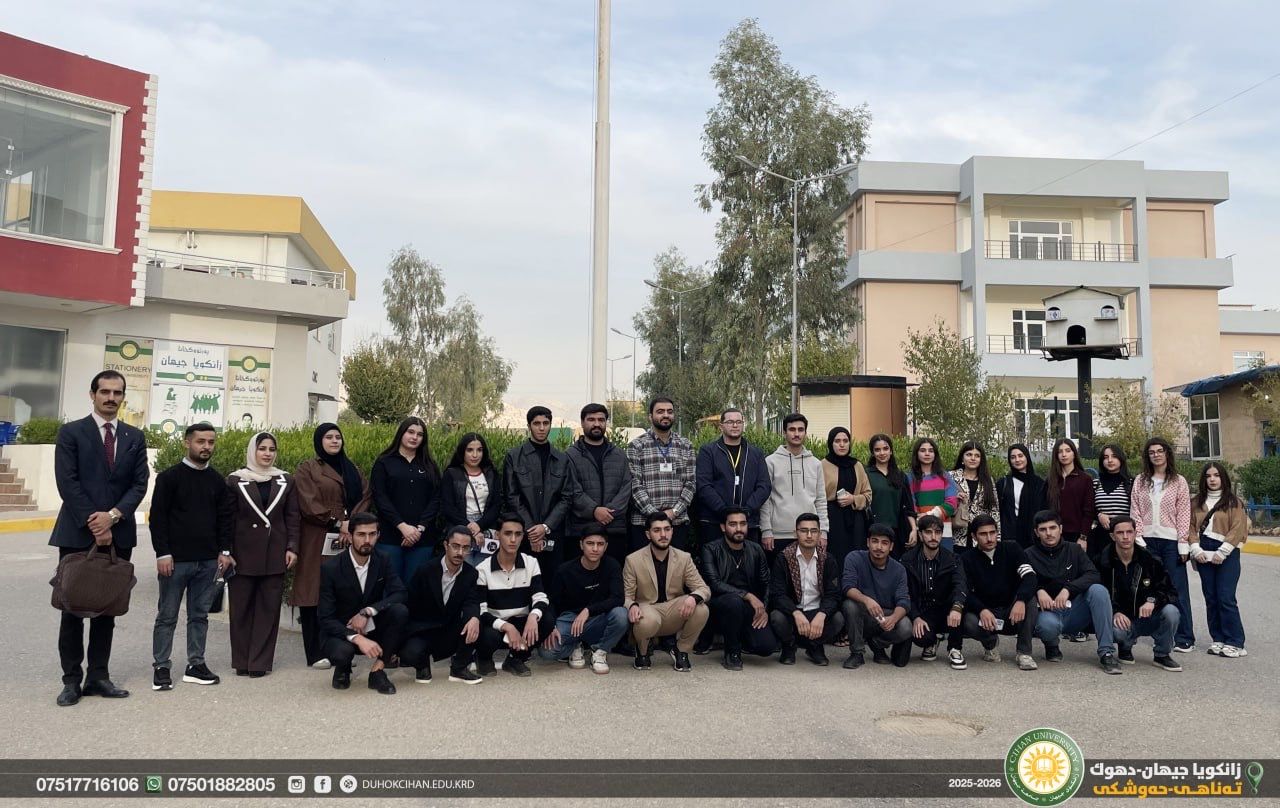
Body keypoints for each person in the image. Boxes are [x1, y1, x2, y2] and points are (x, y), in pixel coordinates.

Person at [50, 370, 150, 707]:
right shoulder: (71, 433)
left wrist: (114, 516)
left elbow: (139, 483)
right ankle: (71, 681)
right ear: (92, 394)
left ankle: (98, 676)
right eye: (105, 392)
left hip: (118, 533)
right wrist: (95, 521)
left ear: (123, 397)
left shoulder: (134, 437)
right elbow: (67, 482)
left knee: (108, 606)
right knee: (72, 608)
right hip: (77, 532)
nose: (111, 398)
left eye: (117, 393)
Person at [148, 423, 234, 691]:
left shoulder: (217, 481)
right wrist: (163, 553)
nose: (206, 446)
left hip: (207, 562)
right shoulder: (169, 478)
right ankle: (161, 667)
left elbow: (225, 519)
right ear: (187, 443)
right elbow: (158, 519)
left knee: (199, 616)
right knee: (167, 616)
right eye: (201, 441)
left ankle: (195, 665)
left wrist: (225, 551)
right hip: (175, 562)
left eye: (211, 442)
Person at [294, 423, 372, 668]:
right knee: (313, 591)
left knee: (342, 591)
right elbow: (308, 502)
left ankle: (341, 651)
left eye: (338, 437)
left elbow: (366, 495)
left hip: (349, 536)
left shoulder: (352, 469)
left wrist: (352, 524)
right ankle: (315, 653)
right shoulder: (308, 468)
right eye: (329, 437)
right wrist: (338, 523)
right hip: (317, 535)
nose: (335, 441)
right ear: (319, 441)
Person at [226, 431, 300, 677]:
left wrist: (292, 547)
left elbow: (292, 517)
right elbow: (227, 519)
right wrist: (226, 551)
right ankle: (241, 661)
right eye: (262, 448)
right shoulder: (235, 480)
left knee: (269, 610)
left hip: (275, 554)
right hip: (242, 554)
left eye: (271, 449)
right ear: (252, 451)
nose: (267, 454)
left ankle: (259, 663)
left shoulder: (286, 480)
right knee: (241, 609)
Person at [317, 513, 409, 694]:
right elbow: (325, 617)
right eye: (361, 534)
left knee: (400, 611)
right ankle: (343, 668)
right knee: (342, 653)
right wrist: (356, 637)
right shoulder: (331, 568)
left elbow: (400, 593)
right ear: (350, 536)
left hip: (371, 625)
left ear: (378, 535)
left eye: (372, 534)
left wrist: (368, 611)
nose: (367, 540)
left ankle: (377, 671)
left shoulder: (383, 559)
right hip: (342, 631)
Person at [1026, 510, 1122, 674]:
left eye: (1052, 528)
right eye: (1043, 529)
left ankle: (1106, 652)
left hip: (1075, 610)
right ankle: (1051, 645)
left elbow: (1093, 574)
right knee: (1047, 626)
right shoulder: (1028, 554)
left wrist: (1068, 589)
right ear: (1036, 532)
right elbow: (1020, 581)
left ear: (1060, 529)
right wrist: (1038, 590)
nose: (1048, 533)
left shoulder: (1074, 550)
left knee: (1098, 590)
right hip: (1048, 613)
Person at [624, 512, 711, 671]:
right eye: (657, 530)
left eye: (667, 529)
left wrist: (693, 597)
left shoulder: (684, 558)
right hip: (647, 611)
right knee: (648, 620)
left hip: (673, 611)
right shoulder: (633, 560)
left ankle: (681, 651)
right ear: (648, 534)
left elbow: (703, 589)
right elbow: (627, 596)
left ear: (672, 531)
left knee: (701, 609)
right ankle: (642, 651)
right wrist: (632, 606)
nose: (663, 535)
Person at [1132, 437, 1194, 653]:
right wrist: (1139, 538)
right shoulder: (1141, 481)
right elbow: (1135, 510)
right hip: (1147, 541)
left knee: (1177, 588)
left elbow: (1184, 513)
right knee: (1148, 587)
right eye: (1152, 452)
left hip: (1171, 542)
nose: (1156, 455)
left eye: (1160, 451)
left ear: (1167, 453)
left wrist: (1183, 543)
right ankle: (1156, 631)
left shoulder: (1179, 481)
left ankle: (1184, 636)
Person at [400, 526, 484, 685]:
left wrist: (474, 617)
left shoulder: (471, 573)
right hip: (423, 627)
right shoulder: (425, 570)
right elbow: (409, 602)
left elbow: (472, 601)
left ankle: (459, 668)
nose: (460, 552)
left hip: (449, 627)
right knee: (410, 653)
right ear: (446, 545)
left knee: (475, 623)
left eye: (465, 548)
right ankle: (422, 665)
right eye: (455, 546)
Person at [473, 516, 555, 677]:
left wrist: (533, 616)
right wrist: (506, 626)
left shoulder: (531, 562)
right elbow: (481, 611)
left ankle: (516, 658)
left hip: (521, 622)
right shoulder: (482, 569)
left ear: (523, 536)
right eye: (507, 533)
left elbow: (540, 597)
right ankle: (483, 657)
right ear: (497, 535)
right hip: (495, 626)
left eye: (518, 534)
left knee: (546, 620)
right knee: (487, 633)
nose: (513, 539)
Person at [1098, 516, 1182, 671]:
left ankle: (1162, 654)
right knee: (1116, 631)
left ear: (1136, 533)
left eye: (1129, 532)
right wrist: (1115, 612)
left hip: (1147, 617)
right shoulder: (1103, 562)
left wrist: (1152, 601)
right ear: (1112, 536)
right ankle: (1125, 647)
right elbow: (1099, 594)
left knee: (1172, 612)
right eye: (1120, 533)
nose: (1125, 537)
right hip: (1121, 620)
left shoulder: (1150, 560)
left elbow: (1171, 592)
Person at [540, 529, 629, 674]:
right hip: (570, 620)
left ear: (606, 546)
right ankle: (575, 646)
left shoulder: (612, 565)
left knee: (621, 615)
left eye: (600, 544)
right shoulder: (565, 570)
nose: (595, 548)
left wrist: (588, 610)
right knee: (547, 652)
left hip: (598, 618)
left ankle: (600, 651)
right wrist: (552, 626)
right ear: (581, 545)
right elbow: (551, 601)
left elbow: (618, 598)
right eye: (590, 543)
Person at [959, 515, 1040, 671]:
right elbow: (965, 591)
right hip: (986, 615)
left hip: (1012, 611)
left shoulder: (1012, 549)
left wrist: (1020, 600)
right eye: (983, 534)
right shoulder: (966, 558)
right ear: (974, 536)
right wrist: (981, 610)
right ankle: (990, 644)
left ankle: (1024, 653)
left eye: (992, 532)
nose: (989, 538)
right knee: (968, 620)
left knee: (1029, 599)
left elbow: (1030, 577)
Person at [700, 507, 777, 670]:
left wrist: (763, 609)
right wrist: (748, 595)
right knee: (734, 602)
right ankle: (732, 653)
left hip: (748, 607)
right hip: (719, 605)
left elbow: (766, 583)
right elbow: (714, 583)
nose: (739, 529)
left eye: (743, 524)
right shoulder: (711, 549)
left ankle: (741, 637)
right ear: (723, 527)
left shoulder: (755, 549)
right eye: (733, 524)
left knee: (766, 647)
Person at [370, 416, 440, 587]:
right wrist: (402, 526)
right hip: (390, 537)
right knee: (390, 588)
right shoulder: (384, 462)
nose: (415, 437)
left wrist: (419, 529)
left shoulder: (429, 465)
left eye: (420, 434)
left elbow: (436, 498)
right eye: (410, 432)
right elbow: (380, 497)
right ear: (401, 433)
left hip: (422, 539)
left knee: (416, 588)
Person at [768, 513, 846, 666]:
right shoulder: (783, 558)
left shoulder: (828, 559)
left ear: (819, 534)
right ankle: (789, 646)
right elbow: (777, 594)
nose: (809, 535)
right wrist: (795, 612)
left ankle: (814, 646)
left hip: (816, 612)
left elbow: (834, 594)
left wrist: (822, 614)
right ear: (795, 533)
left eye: (813, 531)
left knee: (838, 618)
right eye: (804, 530)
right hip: (793, 612)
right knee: (777, 617)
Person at [1190, 462, 1249, 659]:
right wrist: (1195, 548)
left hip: (1227, 552)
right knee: (1211, 597)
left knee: (1225, 597)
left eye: (1216, 475)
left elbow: (1238, 528)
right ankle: (1218, 638)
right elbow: (1190, 527)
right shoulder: (1196, 502)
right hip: (1203, 551)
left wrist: (1223, 552)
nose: (1212, 479)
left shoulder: (1233, 502)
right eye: (1208, 476)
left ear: (1223, 478)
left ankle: (1235, 642)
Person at [503, 406, 572, 574]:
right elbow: (511, 496)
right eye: (536, 423)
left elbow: (567, 497)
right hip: (523, 534)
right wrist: (532, 530)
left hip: (553, 533)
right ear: (529, 426)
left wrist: (546, 527)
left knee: (553, 581)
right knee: (523, 579)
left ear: (550, 425)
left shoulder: (562, 459)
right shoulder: (514, 456)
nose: (541, 428)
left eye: (545, 423)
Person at [564, 403, 632, 565]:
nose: (596, 424)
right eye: (591, 420)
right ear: (582, 423)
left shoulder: (619, 454)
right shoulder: (570, 455)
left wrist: (609, 513)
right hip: (582, 530)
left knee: (613, 573)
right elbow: (572, 489)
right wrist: (594, 510)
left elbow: (626, 487)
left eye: (601, 420)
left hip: (614, 529)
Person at [626, 397, 696, 552]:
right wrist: (656, 516)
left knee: (675, 567)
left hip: (676, 522)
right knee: (643, 567)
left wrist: (674, 512)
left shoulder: (686, 445)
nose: (666, 415)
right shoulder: (636, 446)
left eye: (669, 412)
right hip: (644, 523)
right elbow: (635, 485)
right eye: (660, 411)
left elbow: (690, 484)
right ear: (650, 416)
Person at [840, 524, 913, 669]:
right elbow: (847, 587)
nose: (879, 547)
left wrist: (893, 618)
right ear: (868, 542)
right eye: (875, 541)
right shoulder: (854, 558)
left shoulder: (899, 569)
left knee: (906, 626)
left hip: (885, 615)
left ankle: (877, 644)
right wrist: (866, 600)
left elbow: (904, 601)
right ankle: (857, 653)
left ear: (891, 546)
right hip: (862, 612)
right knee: (849, 605)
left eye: (884, 543)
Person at [901, 515, 967, 670]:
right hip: (923, 611)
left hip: (946, 609)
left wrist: (957, 607)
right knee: (921, 637)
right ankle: (931, 642)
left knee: (959, 603)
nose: (933, 537)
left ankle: (955, 648)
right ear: (920, 534)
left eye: (937, 532)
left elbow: (960, 584)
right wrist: (915, 617)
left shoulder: (953, 559)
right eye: (928, 532)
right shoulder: (908, 560)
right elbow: (905, 592)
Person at [695, 407, 771, 542]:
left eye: (738, 422)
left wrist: (746, 511)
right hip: (715, 522)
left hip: (748, 523)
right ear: (721, 426)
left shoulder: (755, 453)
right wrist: (724, 512)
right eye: (730, 422)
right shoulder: (708, 452)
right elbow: (704, 486)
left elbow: (764, 486)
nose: (735, 425)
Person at [760, 413, 828, 562]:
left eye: (800, 430)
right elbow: (765, 500)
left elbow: (821, 500)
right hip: (778, 535)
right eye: (792, 429)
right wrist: (766, 530)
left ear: (805, 433)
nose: (796, 434)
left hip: (809, 534)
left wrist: (823, 531)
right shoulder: (770, 462)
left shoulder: (816, 464)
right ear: (784, 432)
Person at [439, 432, 502, 566]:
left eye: (479, 450)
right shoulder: (451, 474)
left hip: (485, 527)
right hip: (459, 527)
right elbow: (447, 507)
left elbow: (496, 505)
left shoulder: (491, 473)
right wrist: (470, 528)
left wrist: (479, 525)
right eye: (470, 450)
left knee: (483, 571)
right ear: (462, 451)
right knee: (463, 570)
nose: (475, 455)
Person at [822, 427, 872, 562]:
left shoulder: (857, 465)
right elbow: (817, 496)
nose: (842, 444)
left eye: (845, 441)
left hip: (855, 520)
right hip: (832, 519)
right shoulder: (822, 465)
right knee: (835, 557)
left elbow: (868, 495)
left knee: (857, 557)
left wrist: (853, 499)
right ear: (830, 443)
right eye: (837, 441)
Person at [866, 434, 916, 558]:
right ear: (872, 453)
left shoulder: (900, 476)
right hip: (872, 531)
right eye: (877, 450)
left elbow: (908, 506)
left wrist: (914, 529)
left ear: (891, 451)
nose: (882, 453)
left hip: (896, 533)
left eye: (885, 448)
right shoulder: (866, 474)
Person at [905, 436, 959, 550]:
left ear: (935, 454)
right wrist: (918, 524)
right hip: (921, 530)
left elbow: (951, 504)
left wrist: (929, 514)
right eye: (923, 450)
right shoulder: (910, 478)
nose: (927, 454)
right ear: (917, 454)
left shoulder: (945, 477)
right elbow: (910, 506)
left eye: (930, 450)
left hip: (943, 530)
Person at [1045, 438, 1096, 556]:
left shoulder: (1085, 479)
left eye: (1068, 451)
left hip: (1077, 535)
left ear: (1074, 453)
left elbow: (1089, 510)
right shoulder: (1051, 480)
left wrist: (1083, 537)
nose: (1064, 454)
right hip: (1054, 534)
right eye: (1060, 451)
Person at [949, 441, 1000, 552]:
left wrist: (997, 538)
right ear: (962, 458)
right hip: (956, 536)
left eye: (977, 456)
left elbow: (994, 510)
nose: (973, 458)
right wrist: (955, 499)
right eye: (969, 454)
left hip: (981, 538)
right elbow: (942, 503)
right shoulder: (951, 477)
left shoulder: (988, 480)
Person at [996, 443, 1046, 549]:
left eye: (1020, 456)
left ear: (1026, 457)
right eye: (1013, 457)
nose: (1017, 460)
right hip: (1009, 536)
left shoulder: (1039, 483)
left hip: (1033, 536)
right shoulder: (1003, 483)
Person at [1090, 443, 1134, 560]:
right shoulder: (1096, 483)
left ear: (1121, 458)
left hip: (1124, 536)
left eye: (1114, 456)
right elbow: (1088, 508)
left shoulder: (1131, 483)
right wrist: (1099, 515)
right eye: (1106, 457)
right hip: (1100, 537)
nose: (1110, 460)